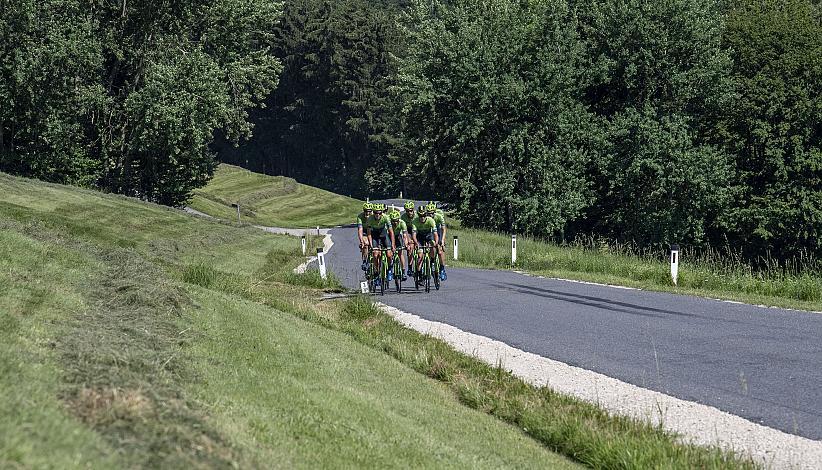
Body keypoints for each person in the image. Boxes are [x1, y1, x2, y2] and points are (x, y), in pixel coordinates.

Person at [366, 203, 395, 287]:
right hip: (374, 235)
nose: (377, 215)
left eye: (379, 213)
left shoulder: (386, 217)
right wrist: (371, 245)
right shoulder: (370, 219)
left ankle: (389, 269)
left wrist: (392, 245)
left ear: (382, 212)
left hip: (383, 235)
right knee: (375, 254)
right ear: (373, 213)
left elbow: (391, 232)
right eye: (375, 213)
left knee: (389, 254)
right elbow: (369, 234)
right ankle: (377, 272)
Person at [412, 207, 440, 278]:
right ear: (418, 216)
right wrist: (416, 243)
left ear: (426, 215)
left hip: (428, 236)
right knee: (420, 255)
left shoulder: (431, 220)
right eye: (420, 216)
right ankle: (419, 273)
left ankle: (432, 261)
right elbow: (414, 236)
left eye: (424, 215)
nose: (422, 217)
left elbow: (435, 234)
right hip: (420, 237)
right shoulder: (415, 221)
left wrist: (436, 243)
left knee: (433, 245)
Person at [426, 202, 448, 281]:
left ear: (434, 212)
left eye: (432, 213)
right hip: (430, 231)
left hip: (438, 231)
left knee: (440, 251)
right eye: (428, 213)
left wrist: (442, 240)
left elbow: (443, 229)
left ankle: (442, 269)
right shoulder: (425, 218)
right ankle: (431, 261)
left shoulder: (439, 216)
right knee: (431, 246)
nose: (430, 215)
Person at [389, 210, 411, 281]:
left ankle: (403, 272)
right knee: (389, 253)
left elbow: (404, 235)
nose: (395, 222)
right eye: (393, 221)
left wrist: (406, 244)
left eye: (396, 221)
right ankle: (389, 267)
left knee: (400, 253)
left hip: (398, 236)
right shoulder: (388, 224)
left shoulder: (402, 223)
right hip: (389, 236)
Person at [400, 201, 418, 275]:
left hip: (417, 231)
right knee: (410, 248)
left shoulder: (417, 215)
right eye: (407, 211)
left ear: (413, 210)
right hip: (408, 232)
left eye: (410, 210)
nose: (409, 212)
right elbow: (405, 231)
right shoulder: (403, 217)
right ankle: (410, 267)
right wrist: (409, 240)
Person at [357, 202, 373, 271]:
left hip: (373, 231)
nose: (368, 213)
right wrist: (361, 241)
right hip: (364, 231)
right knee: (365, 244)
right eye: (366, 211)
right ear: (364, 211)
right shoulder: (360, 217)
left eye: (369, 211)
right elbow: (360, 230)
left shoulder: (374, 216)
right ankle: (365, 260)